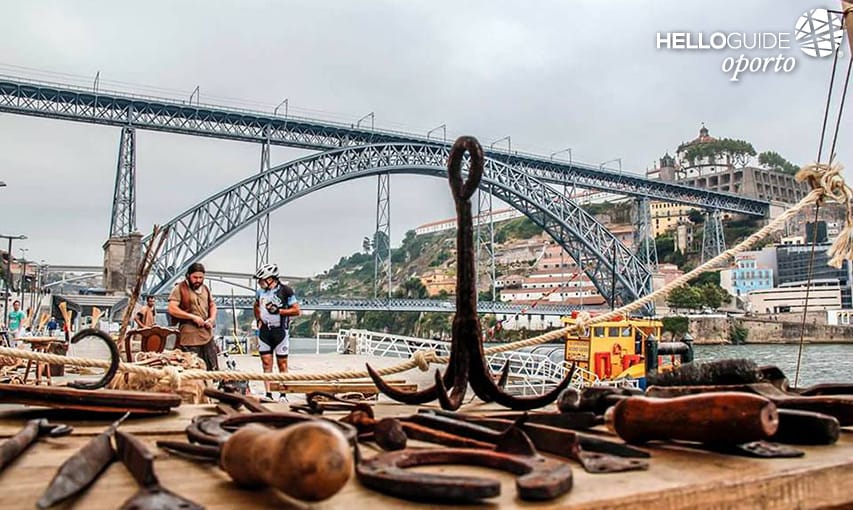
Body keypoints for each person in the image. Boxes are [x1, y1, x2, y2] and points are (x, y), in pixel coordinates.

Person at [253, 263, 300, 401]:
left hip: (280, 331)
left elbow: (297, 310)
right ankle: (268, 394)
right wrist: (258, 319)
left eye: (261, 280)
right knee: (266, 363)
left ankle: (283, 394)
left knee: (282, 364)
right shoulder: (260, 292)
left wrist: (279, 311)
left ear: (270, 279)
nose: (259, 283)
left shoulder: (286, 291)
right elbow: (256, 305)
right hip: (265, 331)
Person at [167, 263, 219, 370]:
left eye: (201, 277)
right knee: (192, 369)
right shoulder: (180, 288)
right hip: (189, 337)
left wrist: (212, 319)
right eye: (195, 277)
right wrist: (192, 317)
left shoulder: (205, 289)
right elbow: (172, 309)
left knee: (212, 370)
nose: (198, 280)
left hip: (206, 334)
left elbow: (212, 305)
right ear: (188, 276)